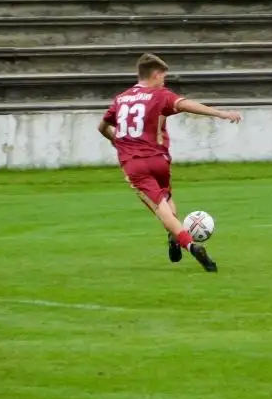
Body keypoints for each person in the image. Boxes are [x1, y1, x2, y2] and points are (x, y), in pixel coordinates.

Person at [98, 53, 242, 272]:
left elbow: (102, 127)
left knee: (161, 211)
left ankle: (191, 246)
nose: (164, 81)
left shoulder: (121, 99)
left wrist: (116, 142)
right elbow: (185, 104)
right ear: (155, 74)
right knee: (166, 198)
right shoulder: (158, 95)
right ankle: (173, 236)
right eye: (163, 76)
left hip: (135, 165)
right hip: (159, 160)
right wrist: (221, 113)